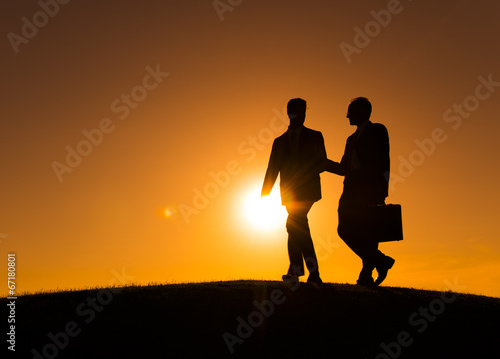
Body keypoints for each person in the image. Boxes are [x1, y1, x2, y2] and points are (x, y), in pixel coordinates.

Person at [323, 97, 395, 286]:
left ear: (363, 111)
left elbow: (384, 162)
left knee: (368, 232)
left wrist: (383, 189)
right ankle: (380, 261)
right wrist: (323, 164)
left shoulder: (378, 130)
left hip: (369, 189)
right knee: (344, 229)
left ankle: (366, 275)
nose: (347, 116)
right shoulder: (350, 139)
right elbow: (343, 168)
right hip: (350, 189)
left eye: (351, 111)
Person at [261, 98, 326, 284]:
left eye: (303, 112)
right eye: (297, 112)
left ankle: (300, 271)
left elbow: (321, 161)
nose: (301, 116)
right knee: (296, 226)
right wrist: (265, 193)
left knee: (295, 223)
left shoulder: (315, 135)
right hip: (289, 192)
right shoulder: (279, 141)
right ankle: (308, 273)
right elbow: (272, 167)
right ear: (289, 114)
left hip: (308, 189)